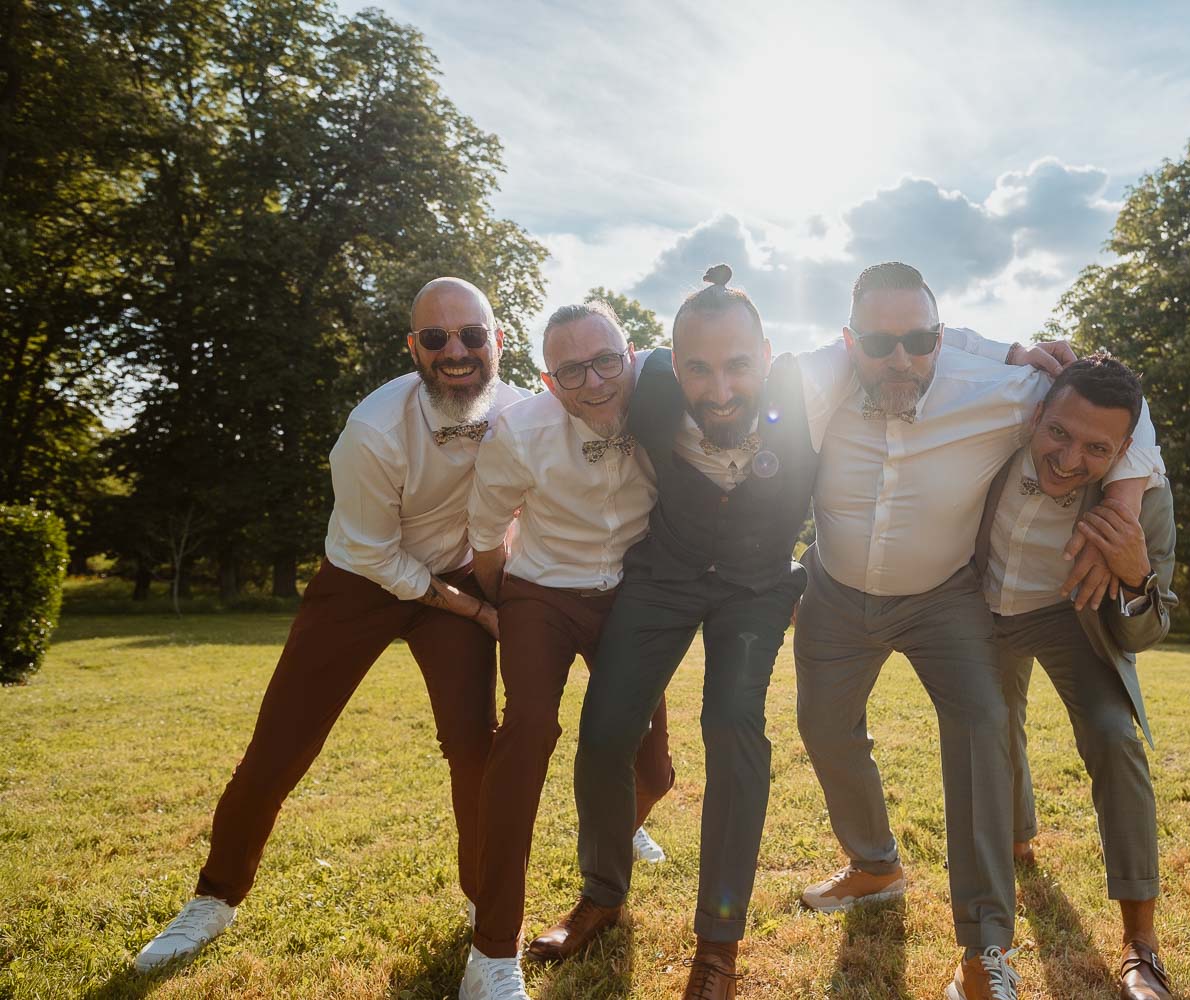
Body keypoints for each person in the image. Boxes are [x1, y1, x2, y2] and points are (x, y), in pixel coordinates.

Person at [133, 277, 526, 972]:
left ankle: (483, 901)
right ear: (414, 348)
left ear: (498, 340)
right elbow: (376, 553)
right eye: (435, 338)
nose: (454, 350)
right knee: (282, 741)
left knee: (474, 748)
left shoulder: (528, 415)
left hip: (459, 573)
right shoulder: (373, 430)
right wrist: (473, 608)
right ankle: (214, 898)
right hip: (362, 580)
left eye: (470, 335)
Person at [793, 262, 1164, 1000]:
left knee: (984, 728)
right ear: (849, 341)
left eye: (922, 339)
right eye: (878, 340)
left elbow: (1120, 402)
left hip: (947, 602)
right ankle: (874, 865)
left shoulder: (1001, 393)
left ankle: (985, 950)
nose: (902, 358)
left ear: (941, 336)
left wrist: (1124, 509)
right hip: (837, 594)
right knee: (825, 730)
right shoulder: (811, 383)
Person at [534, 265, 819, 1000]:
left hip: (756, 586)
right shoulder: (647, 384)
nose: (719, 388)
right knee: (603, 732)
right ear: (666, 362)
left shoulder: (815, 390)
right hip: (665, 574)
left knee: (731, 725)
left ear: (766, 353)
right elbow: (564, 389)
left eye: (737, 366)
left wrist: (1020, 355)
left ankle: (717, 945)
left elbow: (933, 363)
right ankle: (602, 893)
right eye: (699, 368)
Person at [458, 301, 676, 1000]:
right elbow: (487, 537)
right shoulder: (517, 431)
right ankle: (491, 951)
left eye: (606, 360)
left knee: (656, 770)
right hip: (541, 592)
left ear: (632, 355)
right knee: (527, 733)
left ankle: (615, 835)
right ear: (548, 381)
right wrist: (507, 609)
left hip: (634, 598)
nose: (595, 382)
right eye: (572, 370)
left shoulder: (668, 403)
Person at [975, 352, 1178, 1000]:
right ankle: (1017, 842)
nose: (1067, 459)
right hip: (983, 606)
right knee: (995, 729)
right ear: (1037, 414)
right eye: (1058, 433)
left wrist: (1135, 573)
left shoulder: (1143, 499)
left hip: (1071, 618)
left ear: (1122, 454)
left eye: (1096, 448)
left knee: (1115, 736)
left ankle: (1140, 944)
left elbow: (1148, 629)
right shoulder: (994, 442)